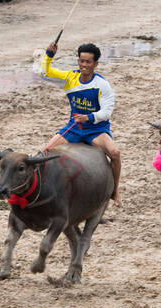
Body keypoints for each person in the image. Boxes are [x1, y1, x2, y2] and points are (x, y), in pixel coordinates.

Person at [40, 39, 122, 206]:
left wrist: (88, 117)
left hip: (96, 129)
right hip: (74, 128)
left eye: (88, 62)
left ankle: (115, 191)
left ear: (96, 63)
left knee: (115, 153)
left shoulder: (102, 85)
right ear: (78, 61)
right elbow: (45, 73)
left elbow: (106, 113)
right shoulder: (70, 77)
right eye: (81, 61)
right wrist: (49, 55)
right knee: (45, 152)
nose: (84, 65)